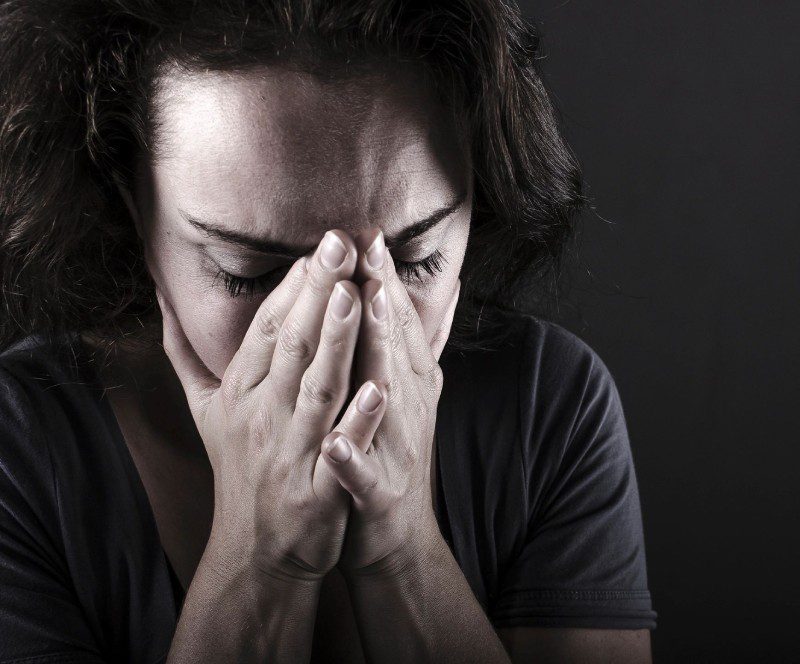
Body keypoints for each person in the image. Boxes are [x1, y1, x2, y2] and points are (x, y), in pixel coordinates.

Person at [0, 0, 657, 662]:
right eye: (247, 273)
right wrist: (262, 558)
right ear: (132, 203)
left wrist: (403, 552)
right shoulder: (21, 448)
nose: (332, 331)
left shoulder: (548, 404)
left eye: (413, 260)